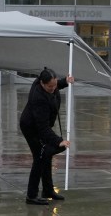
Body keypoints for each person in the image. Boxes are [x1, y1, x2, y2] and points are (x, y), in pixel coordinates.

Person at [19, 68, 73, 205]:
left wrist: (65, 82)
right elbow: (42, 128)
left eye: (55, 84)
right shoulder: (38, 98)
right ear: (42, 84)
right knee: (40, 157)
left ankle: (48, 190)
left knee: (46, 156)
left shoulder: (48, 84)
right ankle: (31, 196)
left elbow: (56, 85)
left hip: (41, 126)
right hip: (31, 128)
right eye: (50, 86)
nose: (54, 88)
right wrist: (59, 141)